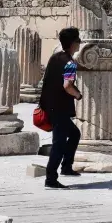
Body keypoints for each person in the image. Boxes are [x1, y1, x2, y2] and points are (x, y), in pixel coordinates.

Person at [38, 27, 83, 190]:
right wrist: (78, 95)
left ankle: (66, 167)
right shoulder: (70, 63)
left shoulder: (54, 58)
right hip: (60, 108)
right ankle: (51, 179)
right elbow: (67, 85)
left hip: (49, 106)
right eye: (78, 40)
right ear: (72, 44)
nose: (79, 43)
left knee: (74, 134)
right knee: (59, 143)